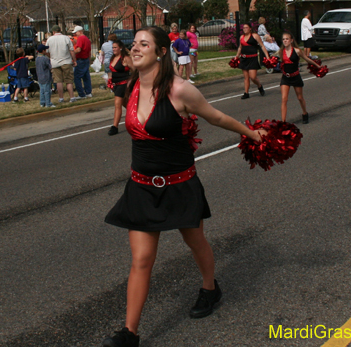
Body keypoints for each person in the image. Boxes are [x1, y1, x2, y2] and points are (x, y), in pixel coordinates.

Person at [101, 26, 266, 347]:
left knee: (195, 241)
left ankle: (209, 287)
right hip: (142, 188)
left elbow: (216, 117)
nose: (134, 49)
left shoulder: (180, 90)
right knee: (141, 260)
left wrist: (253, 134)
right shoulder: (132, 86)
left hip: (179, 185)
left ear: (161, 51)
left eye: (143, 45)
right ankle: (129, 333)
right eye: (134, 44)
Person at [278, 31, 321, 124]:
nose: (285, 41)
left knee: (300, 98)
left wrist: (317, 66)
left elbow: (306, 59)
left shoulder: (297, 51)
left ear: (291, 40)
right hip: (285, 77)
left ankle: (305, 113)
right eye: (283, 39)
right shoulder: (281, 51)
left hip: (295, 77)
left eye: (287, 39)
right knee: (284, 99)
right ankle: (283, 122)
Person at [233, 22, 270, 99]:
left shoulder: (255, 36)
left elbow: (262, 46)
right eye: (243, 28)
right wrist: (236, 56)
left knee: (253, 77)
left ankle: (259, 86)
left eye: (246, 28)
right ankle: (246, 93)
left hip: (253, 58)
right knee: (246, 77)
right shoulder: (241, 37)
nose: (245, 29)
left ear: (250, 28)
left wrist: (267, 56)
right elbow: (240, 47)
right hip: (244, 59)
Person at [46, 25, 77, 103]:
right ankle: (72, 97)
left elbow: (47, 51)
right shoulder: (66, 38)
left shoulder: (50, 39)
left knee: (58, 81)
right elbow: (71, 50)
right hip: (66, 61)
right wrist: (74, 60)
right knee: (69, 80)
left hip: (55, 62)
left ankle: (61, 98)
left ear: (53, 32)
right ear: (60, 30)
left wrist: (51, 57)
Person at [107, 40, 132, 136]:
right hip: (115, 84)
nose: (113, 49)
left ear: (120, 48)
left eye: (115, 47)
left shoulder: (125, 58)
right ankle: (140, 116)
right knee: (127, 104)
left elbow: (135, 70)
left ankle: (115, 127)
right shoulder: (113, 58)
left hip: (124, 83)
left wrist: (132, 81)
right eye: (112, 47)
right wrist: (109, 79)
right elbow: (112, 71)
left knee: (117, 104)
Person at [71, 26, 93, 99]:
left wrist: (71, 53)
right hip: (86, 59)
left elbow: (79, 49)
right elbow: (89, 51)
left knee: (77, 77)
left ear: (79, 31)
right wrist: (89, 61)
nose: (75, 34)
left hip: (80, 59)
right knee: (86, 77)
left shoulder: (80, 38)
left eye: (76, 32)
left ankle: (81, 94)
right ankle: (88, 92)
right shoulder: (87, 39)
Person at [35, 44, 54, 108]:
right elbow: (49, 67)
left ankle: (42, 102)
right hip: (46, 77)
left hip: (39, 77)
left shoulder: (37, 59)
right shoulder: (45, 59)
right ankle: (48, 103)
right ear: (43, 51)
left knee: (42, 91)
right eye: (45, 50)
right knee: (47, 91)